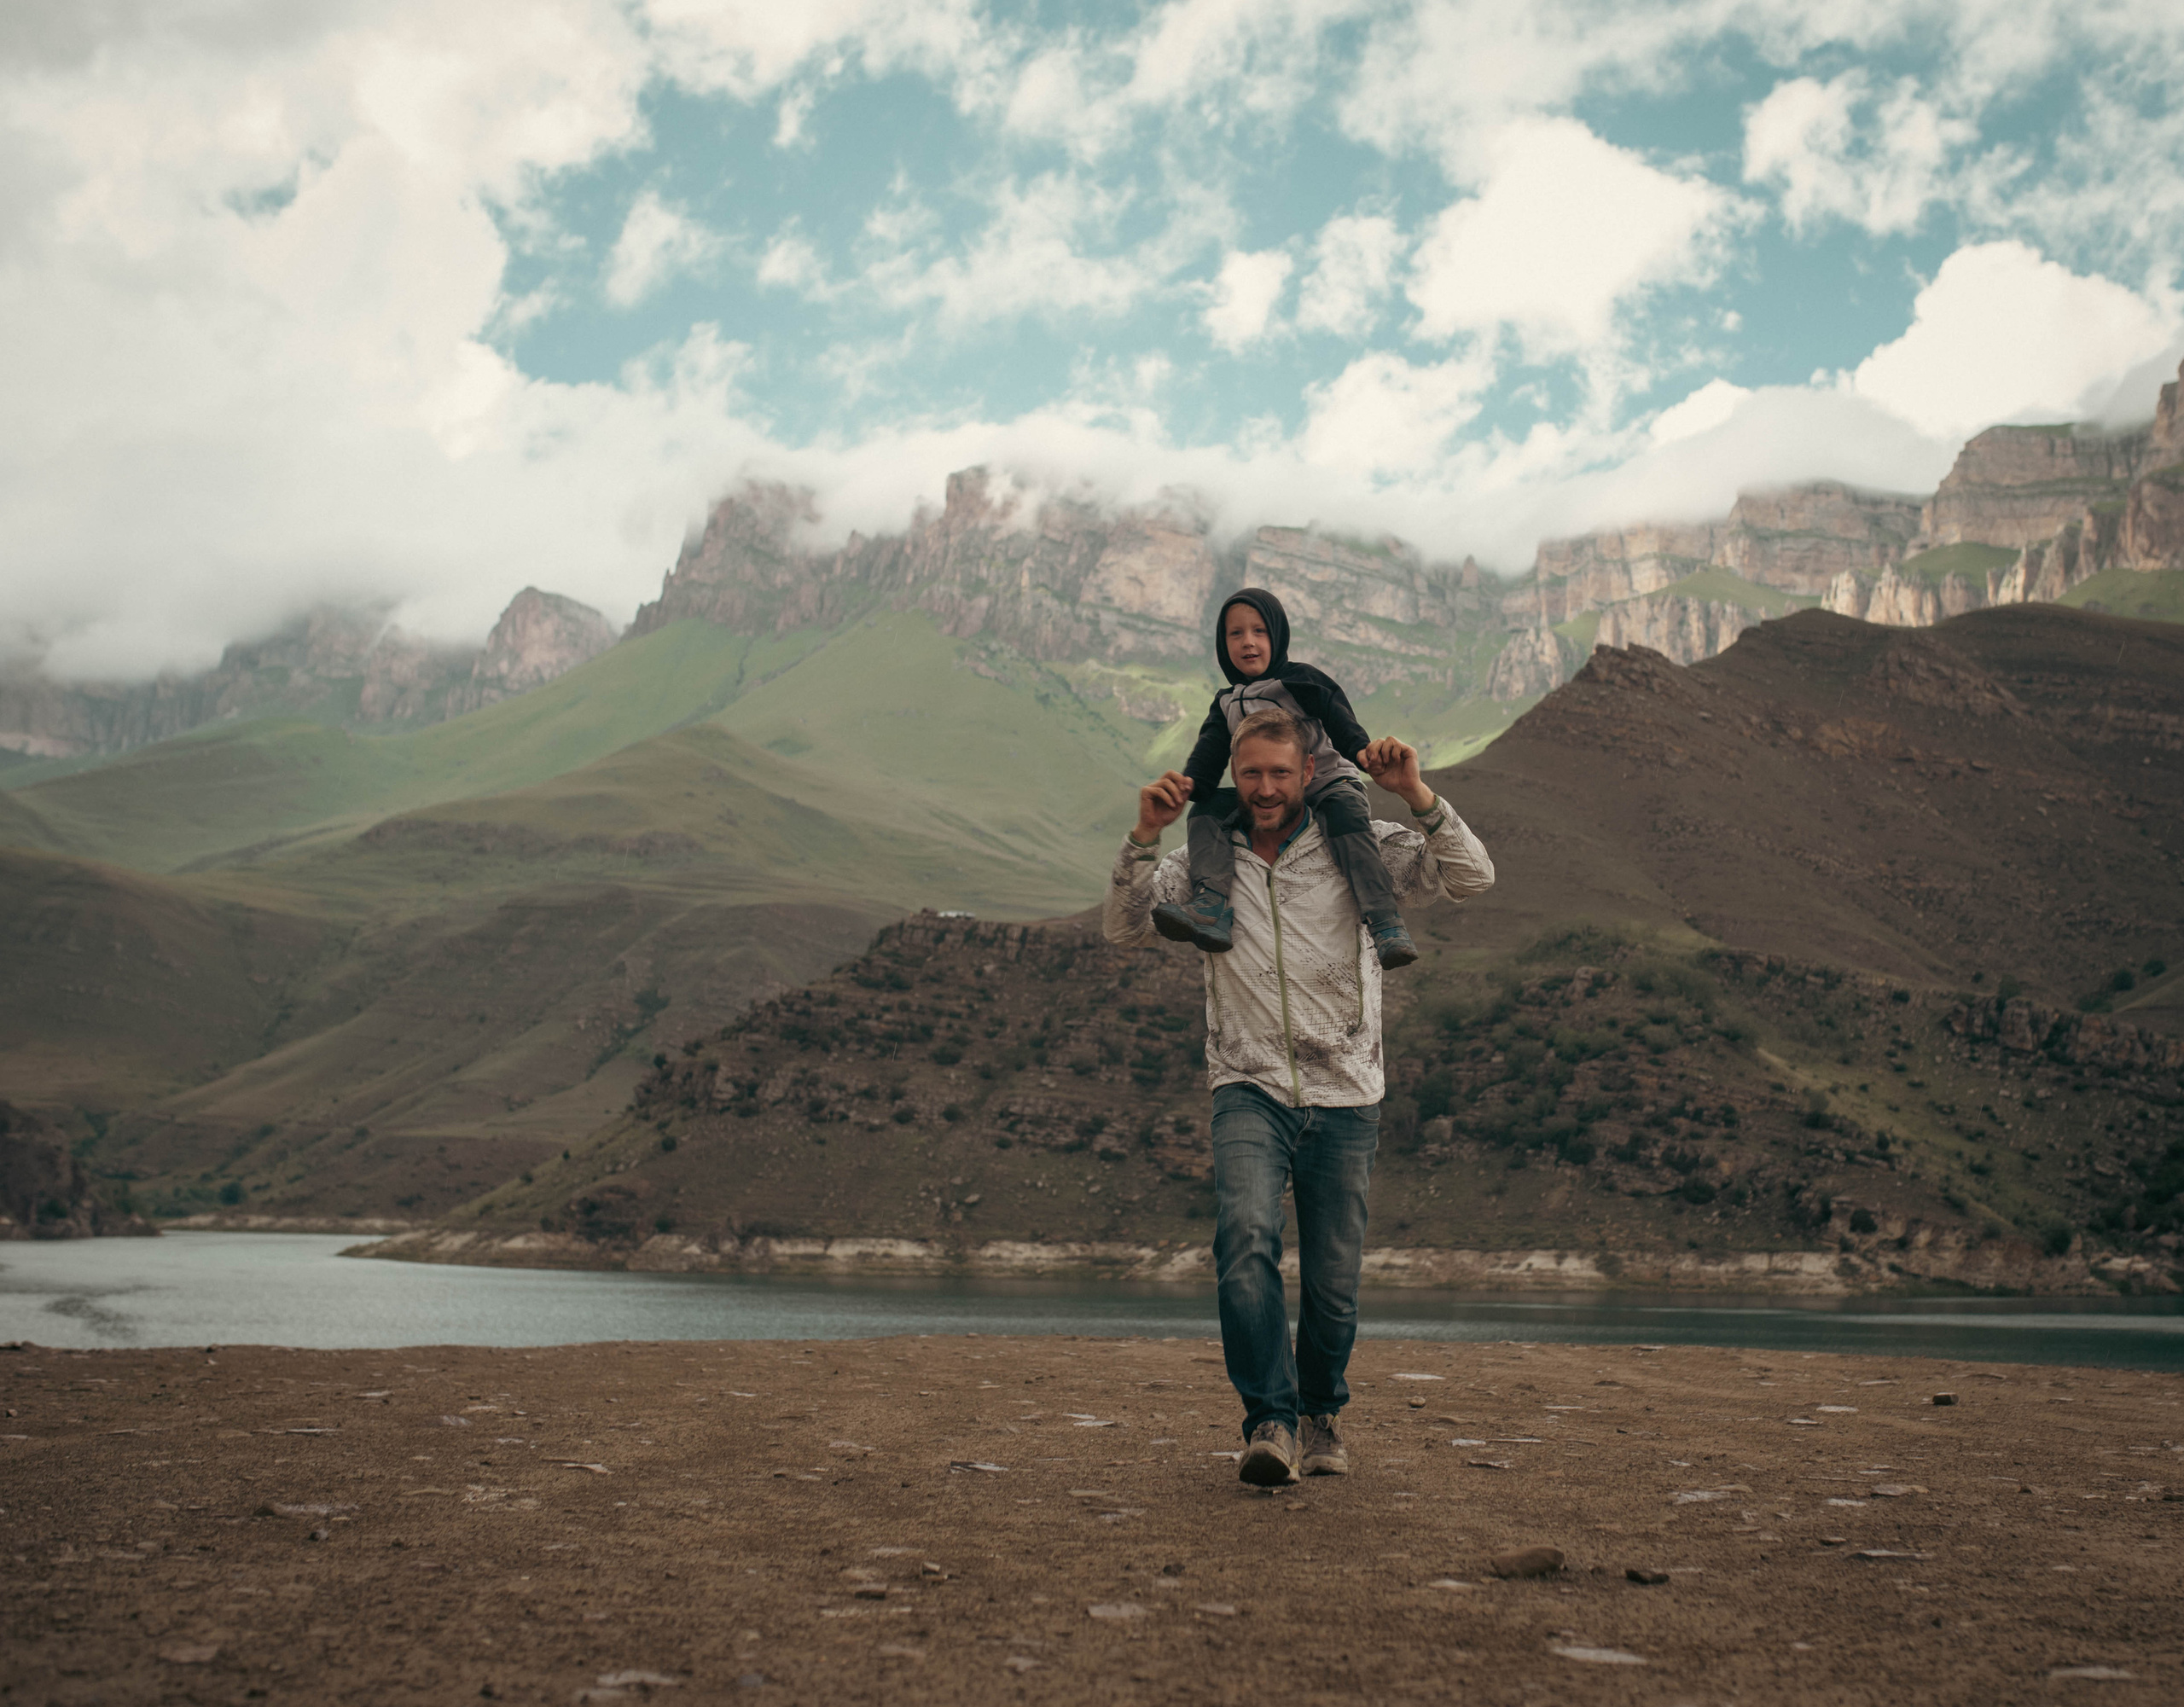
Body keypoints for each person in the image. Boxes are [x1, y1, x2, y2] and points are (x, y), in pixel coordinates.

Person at [1103, 707, 1496, 1486]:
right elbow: (1125, 928)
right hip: (1247, 1083)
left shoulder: (1360, 847)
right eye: (1251, 774)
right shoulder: (1209, 859)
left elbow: (1471, 875)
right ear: (1235, 777)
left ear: (1307, 774)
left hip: (1346, 1089)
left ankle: (1320, 1413)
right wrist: (1143, 836)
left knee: (1333, 1280)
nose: (1266, 787)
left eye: (1281, 773)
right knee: (1244, 1240)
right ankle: (1269, 1420)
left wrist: (1416, 793)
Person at [1154, 588, 1420, 970]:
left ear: (1277, 635)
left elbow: (1337, 715)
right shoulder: (1227, 702)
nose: (1248, 642)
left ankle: (1384, 921)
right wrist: (1189, 786)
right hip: (1268, 794)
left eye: (1259, 631)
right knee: (1207, 810)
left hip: (1328, 782)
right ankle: (1210, 905)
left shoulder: (1299, 680)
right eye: (1236, 634)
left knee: (1348, 820)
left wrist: (1361, 752)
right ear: (1221, 642)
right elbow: (1210, 753)